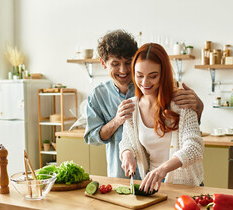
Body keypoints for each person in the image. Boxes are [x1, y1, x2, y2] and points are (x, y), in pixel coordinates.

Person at [84, 29, 203, 179]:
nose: (123, 70)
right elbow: (98, 138)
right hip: (122, 176)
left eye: (128, 63)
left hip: (172, 182)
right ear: (103, 63)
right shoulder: (101, 96)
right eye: (115, 64)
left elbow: (192, 139)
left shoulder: (167, 94)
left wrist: (198, 107)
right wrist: (117, 122)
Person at [119, 43, 204, 193]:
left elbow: (194, 147)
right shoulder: (132, 107)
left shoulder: (181, 102)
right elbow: (127, 141)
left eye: (153, 76)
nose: (144, 83)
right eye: (139, 76)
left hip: (186, 187)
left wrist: (162, 169)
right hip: (153, 187)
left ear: (163, 74)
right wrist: (127, 154)